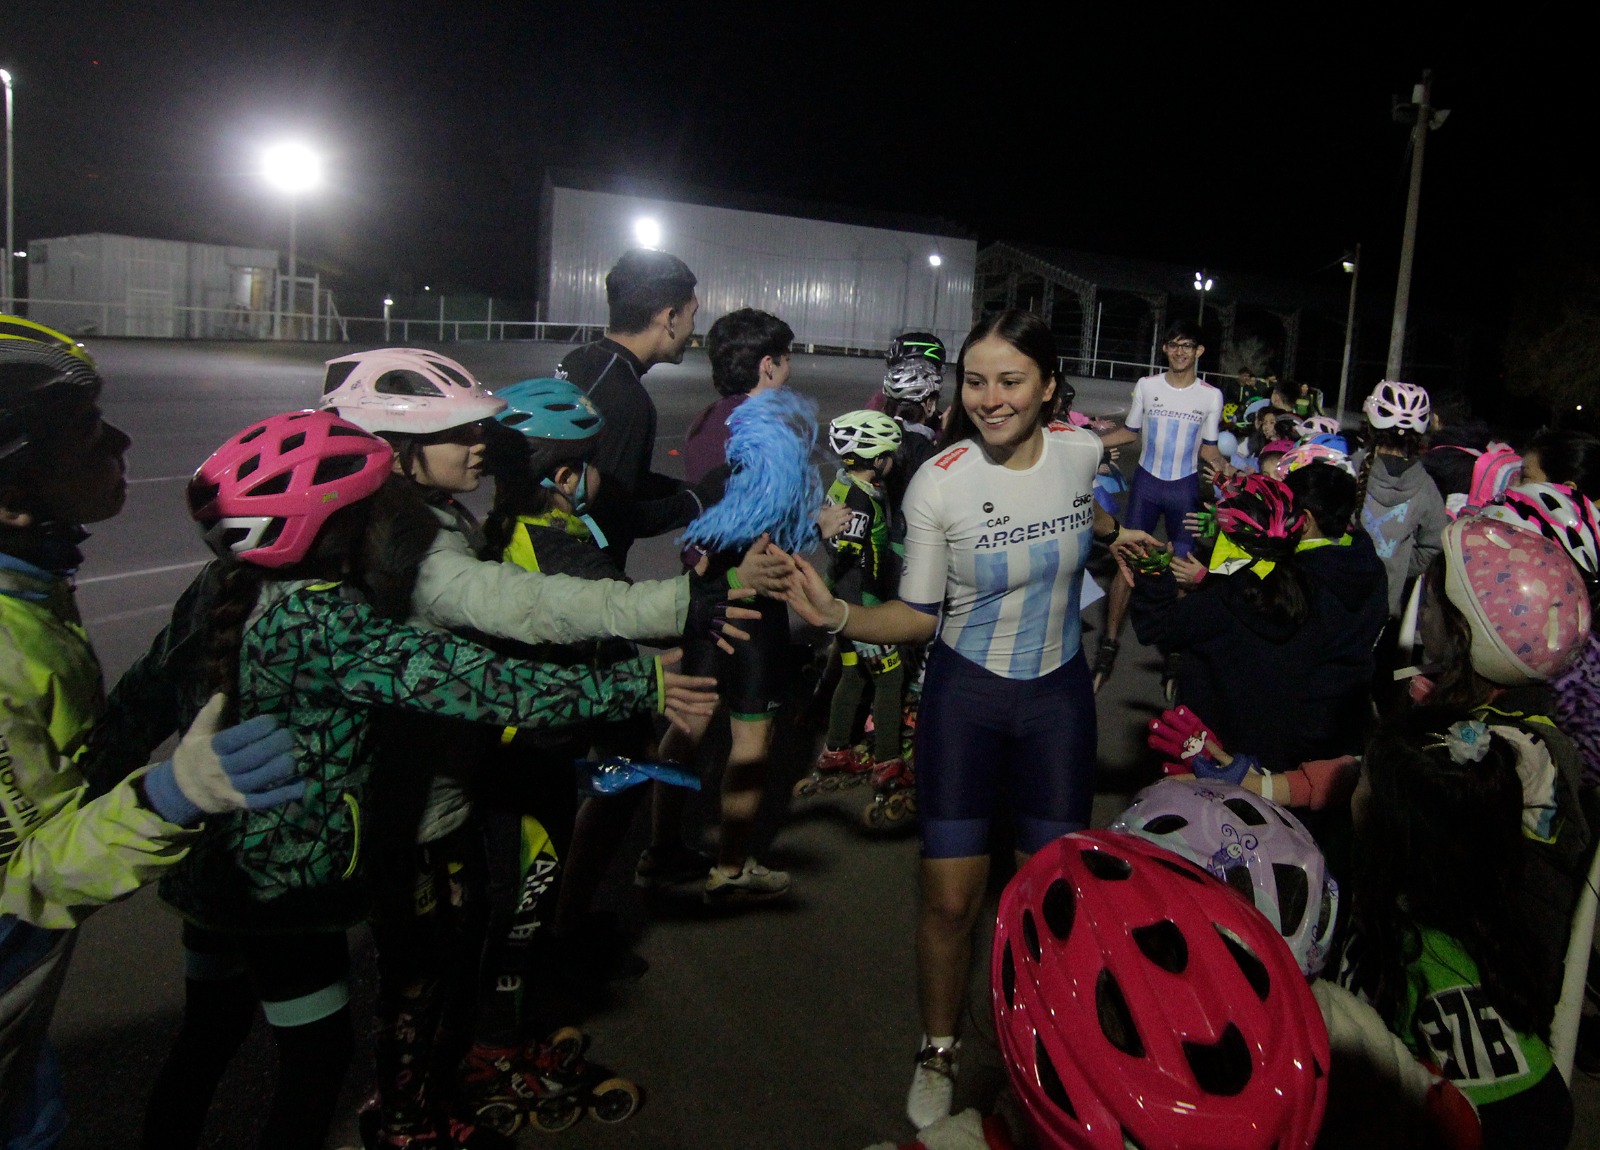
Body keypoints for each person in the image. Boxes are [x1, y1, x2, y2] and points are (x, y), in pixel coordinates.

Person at [90, 410, 722, 1150]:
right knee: (314, 1068)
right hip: (288, 898)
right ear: (331, 529)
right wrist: (637, 687)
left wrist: (76, 797)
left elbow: (138, 699)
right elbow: (480, 683)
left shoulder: (219, 587)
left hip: (210, 877)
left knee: (203, 1045)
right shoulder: (328, 623)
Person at [781, 310, 1155, 1129]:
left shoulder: (1081, 451)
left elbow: (1086, 501)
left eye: (1010, 380)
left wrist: (1118, 534)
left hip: (1058, 702)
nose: (989, 399)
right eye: (975, 381)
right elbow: (916, 617)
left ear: (1050, 386)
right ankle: (939, 1045)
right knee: (952, 900)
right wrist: (841, 613)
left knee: (1054, 893)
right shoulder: (939, 481)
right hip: (966, 701)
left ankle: (1055, 1040)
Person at [0, 339, 302, 1148]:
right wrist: (165, 798)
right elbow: (19, 880)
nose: (122, 444)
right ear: (10, 493)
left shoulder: (25, 582)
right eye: (91, 430)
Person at [1338, 708, 1575, 1149]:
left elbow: (1532, 1116)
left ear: (1396, 828)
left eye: (1363, 779)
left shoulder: (1417, 949)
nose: (1353, 783)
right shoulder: (1487, 916)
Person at [665, 388, 825, 903]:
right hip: (755, 628)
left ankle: (660, 849)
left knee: (686, 730)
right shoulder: (784, 491)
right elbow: (791, 555)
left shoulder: (715, 482)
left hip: (705, 618)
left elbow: (695, 560)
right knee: (751, 744)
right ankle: (730, 867)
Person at [1094, 320, 1227, 692]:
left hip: (1184, 489)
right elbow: (1129, 433)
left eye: (1188, 345)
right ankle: (1108, 643)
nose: (1180, 351)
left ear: (1200, 351)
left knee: (1182, 566)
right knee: (1129, 559)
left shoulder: (1210, 396)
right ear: (1165, 349)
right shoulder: (1147, 386)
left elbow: (1210, 449)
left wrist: (1234, 475)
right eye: (1173, 344)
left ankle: (1176, 650)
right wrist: (1090, 440)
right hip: (1147, 485)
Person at [555, 249, 708, 567]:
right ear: (669, 318)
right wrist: (697, 502)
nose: (693, 327)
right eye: (692, 314)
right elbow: (618, 516)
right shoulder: (628, 399)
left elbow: (615, 479)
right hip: (586, 577)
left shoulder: (581, 359)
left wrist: (686, 489)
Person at [803, 411, 909, 814]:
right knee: (890, 676)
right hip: (859, 603)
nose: (893, 459)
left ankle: (836, 748)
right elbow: (848, 556)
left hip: (845, 601)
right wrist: (862, 613)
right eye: (889, 453)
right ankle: (887, 759)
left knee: (853, 672)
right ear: (876, 457)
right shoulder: (861, 500)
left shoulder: (846, 484)